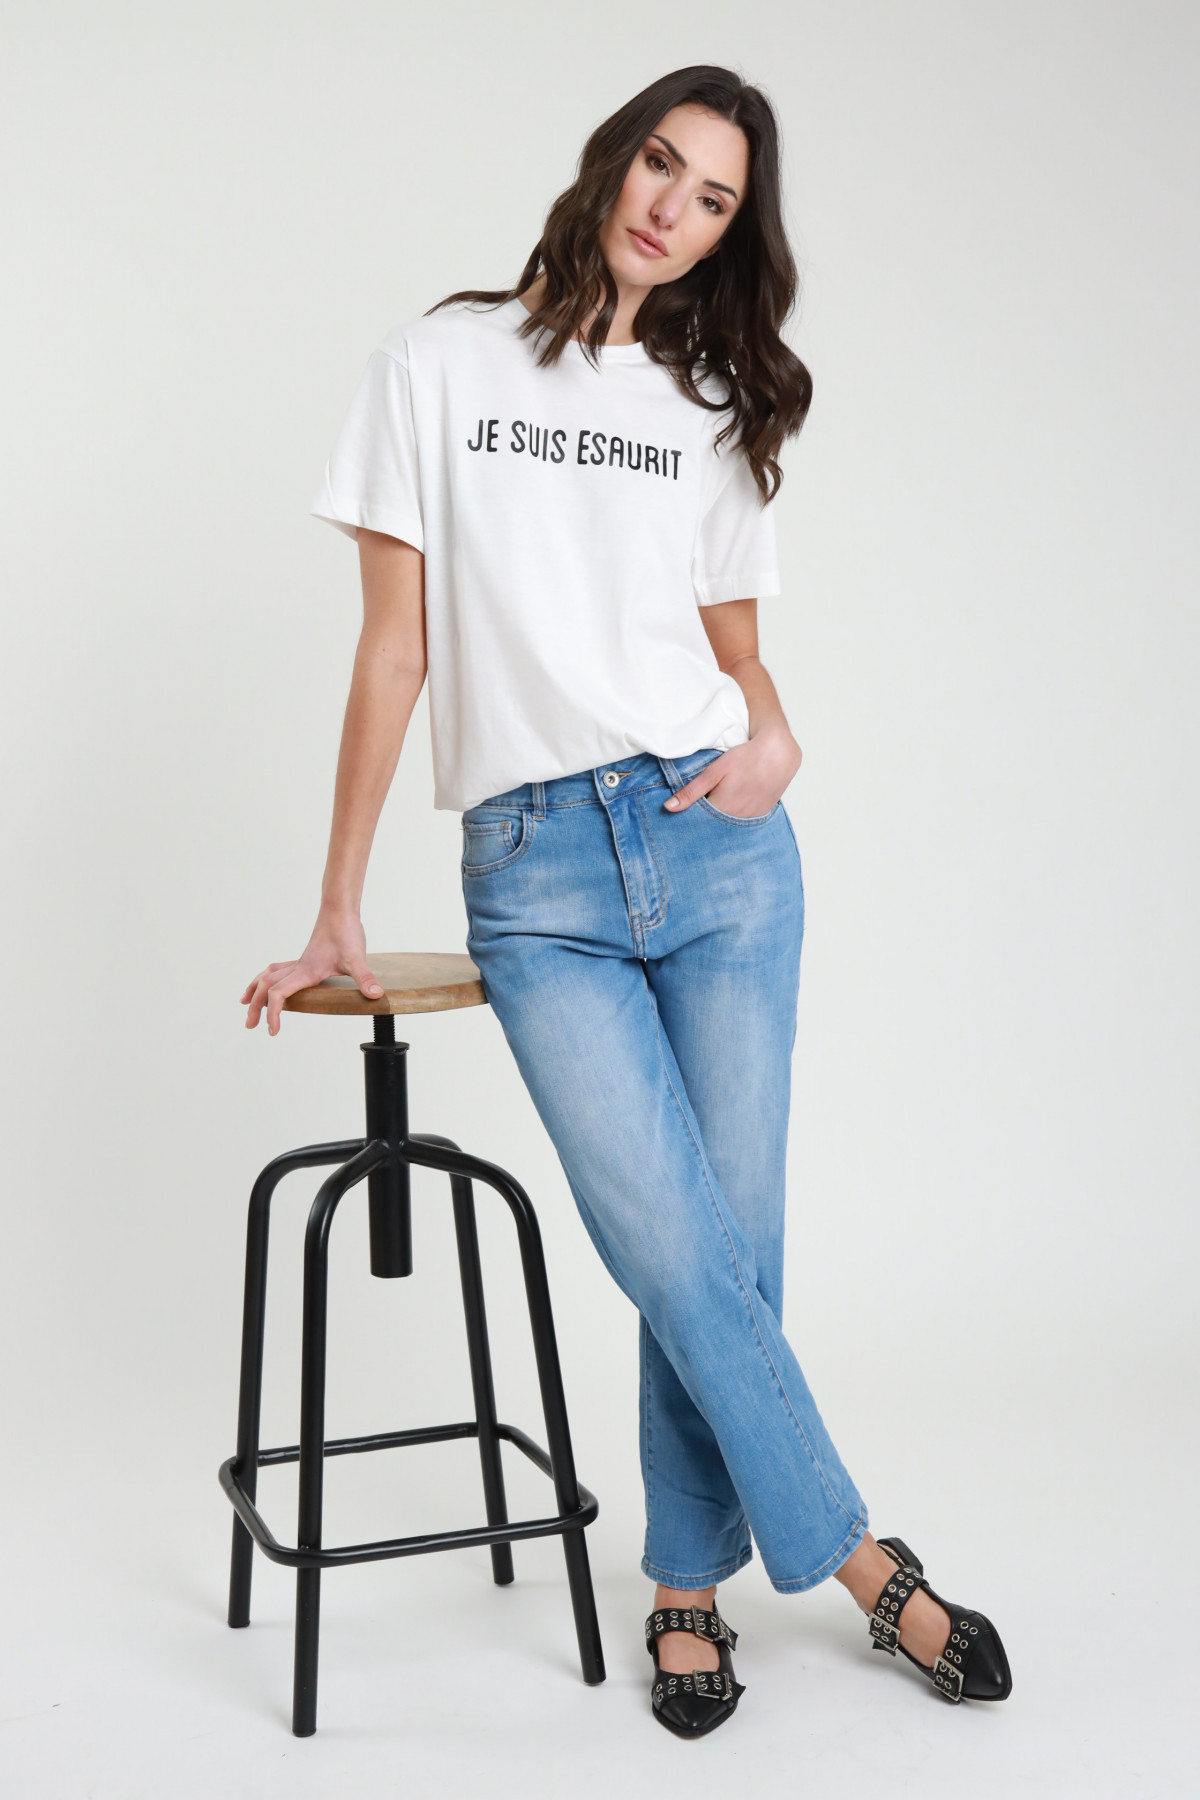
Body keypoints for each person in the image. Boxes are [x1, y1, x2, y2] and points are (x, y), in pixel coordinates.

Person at [241, 65, 1011, 1739]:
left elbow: (736, 651)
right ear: (615, 159)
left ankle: (684, 1592)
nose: (673, 208)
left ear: (731, 231)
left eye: (714, 198)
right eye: (663, 164)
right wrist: (337, 903)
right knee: (672, 1243)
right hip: (538, 874)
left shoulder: (710, 398)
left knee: (729, 1253)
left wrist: (777, 738)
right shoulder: (436, 363)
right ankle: (864, 1563)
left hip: (721, 850)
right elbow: (394, 648)